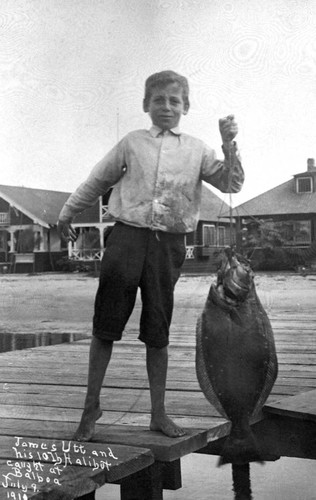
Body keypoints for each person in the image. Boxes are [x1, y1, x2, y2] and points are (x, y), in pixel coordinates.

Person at [57, 70, 244, 441]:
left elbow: (232, 183)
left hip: (168, 246)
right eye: (158, 100)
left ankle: (158, 413)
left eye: (174, 101)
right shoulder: (131, 143)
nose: (166, 107)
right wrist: (67, 211)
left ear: (185, 107)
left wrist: (229, 146)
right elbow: (98, 179)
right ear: (146, 105)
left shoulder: (197, 149)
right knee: (105, 328)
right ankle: (90, 408)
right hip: (125, 239)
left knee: (158, 331)